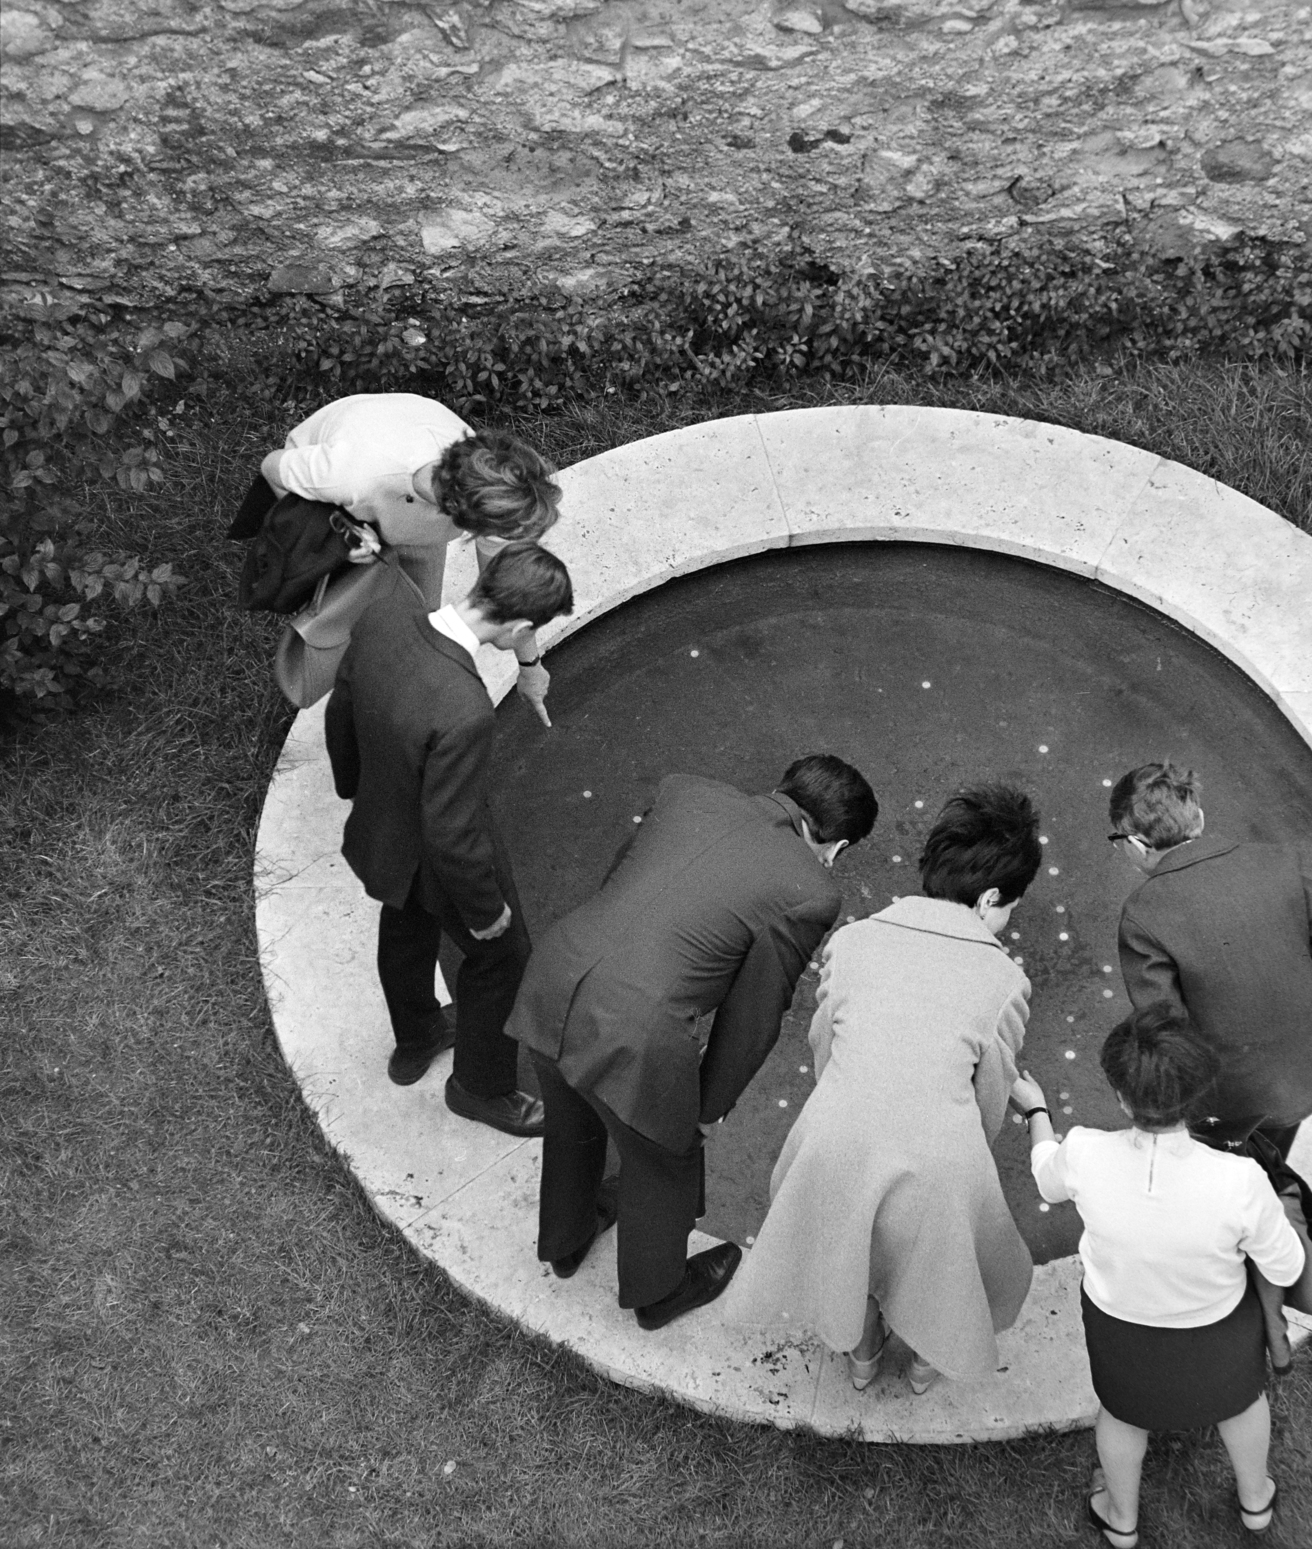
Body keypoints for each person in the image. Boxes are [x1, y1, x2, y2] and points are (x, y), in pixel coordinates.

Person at [506, 755, 878, 1331]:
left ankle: (566, 1242)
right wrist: (707, 1108)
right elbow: (754, 1015)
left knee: (572, 1118)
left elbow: (620, 879)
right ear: (835, 845)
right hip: (636, 1031)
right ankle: (658, 1293)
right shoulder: (810, 891)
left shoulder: (686, 791)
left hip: (556, 977)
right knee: (667, 1159)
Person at [725, 783, 1042, 1395]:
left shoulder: (852, 941)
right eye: (1010, 908)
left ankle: (862, 1358)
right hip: (939, 1161)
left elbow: (826, 1047)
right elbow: (991, 1096)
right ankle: (924, 1363)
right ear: (991, 898)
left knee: (853, 1252)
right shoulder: (1003, 977)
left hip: (832, 1139)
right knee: (936, 1268)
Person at [1017, 1004, 1305, 1547]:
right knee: (1242, 1403)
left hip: (1119, 1326)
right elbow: (1287, 1265)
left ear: (1123, 1096)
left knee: (1122, 1416)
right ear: (1197, 1092)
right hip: (1218, 1327)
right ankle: (1255, 1500)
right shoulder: (1239, 1180)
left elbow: (1045, 1178)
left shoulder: (1083, 1153)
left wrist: (1036, 1114)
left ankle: (1120, 1516)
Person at [324, 541, 574, 1136]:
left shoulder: (384, 616)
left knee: (404, 921)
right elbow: (453, 834)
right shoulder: (465, 710)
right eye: (530, 631)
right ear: (516, 625)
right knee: (503, 960)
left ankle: (416, 1038)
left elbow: (343, 709)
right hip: (433, 854)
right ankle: (480, 1089)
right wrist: (488, 914)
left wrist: (359, 788)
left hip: (382, 829)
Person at [1107, 763, 1312, 1158]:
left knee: (1225, 1175)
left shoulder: (1144, 912)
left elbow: (1165, 1024)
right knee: (1273, 1158)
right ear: (1199, 817)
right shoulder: (1283, 860)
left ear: (1137, 845)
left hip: (1221, 1099)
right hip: (1297, 1073)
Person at [262, 392, 562, 714]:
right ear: (462, 516)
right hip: (342, 480)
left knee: (417, 609)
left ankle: (390, 689)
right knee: (352, 608)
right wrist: (338, 535)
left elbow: (508, 585)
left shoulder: (484, 482)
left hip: (408, 492)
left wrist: (530, 666)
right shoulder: (351, 476)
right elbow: (272, 466)